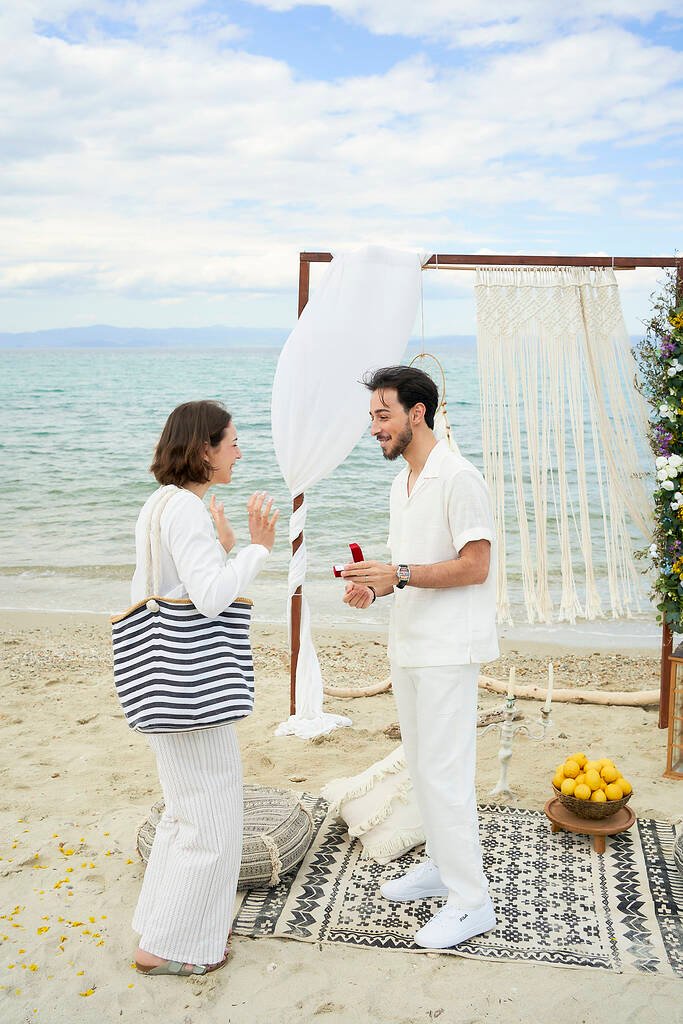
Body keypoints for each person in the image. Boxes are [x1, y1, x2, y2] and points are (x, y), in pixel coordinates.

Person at [341, 366, 499, 950]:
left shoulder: (459, 477)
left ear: (417, 413)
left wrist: (399, 574)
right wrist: (376, 586)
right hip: (409, 644)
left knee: (445, 772)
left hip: (449, 650)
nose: (375, 429)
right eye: (372, 418)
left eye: (383, 416)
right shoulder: (402, 483)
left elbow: (475, 565)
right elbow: (405, 571)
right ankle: (441, 864)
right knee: (421, 764)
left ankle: (472, 903)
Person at [130, 400, 278, 977]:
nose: (239, 452)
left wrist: (221, 549)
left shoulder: (159, 504)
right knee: (213, 820)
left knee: (182, 815)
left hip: (160, 682)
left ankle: (159, 929)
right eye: (232, 442)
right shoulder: (186, 510)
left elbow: (168, 589)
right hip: (193, 690)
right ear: (203, 449)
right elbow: (211, 599)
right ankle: (172, 949)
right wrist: (256, 549)